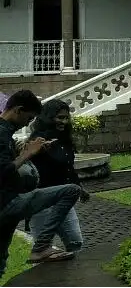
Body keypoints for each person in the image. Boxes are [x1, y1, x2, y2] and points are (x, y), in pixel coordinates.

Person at [0, 90, 85, 270]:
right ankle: (41, 247)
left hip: (10, 201)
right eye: (28, 118)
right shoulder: (2, 132)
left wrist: (25, 153)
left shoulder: (7, 133)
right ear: (18, 110)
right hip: (8, 203)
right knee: (71, 191)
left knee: (1, 259)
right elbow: (3, 171)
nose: (28, 123)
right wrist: (28, 153)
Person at [26, 99, 84, 256]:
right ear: (48, 117)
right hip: (42, 202)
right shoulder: (38, 141)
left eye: (66, 118)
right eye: (59, 117)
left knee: (76, 242)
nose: (64, 121)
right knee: (42, 249)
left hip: (65, 200)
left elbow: (68, 168)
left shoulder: (65, 140)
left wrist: (80, 188)